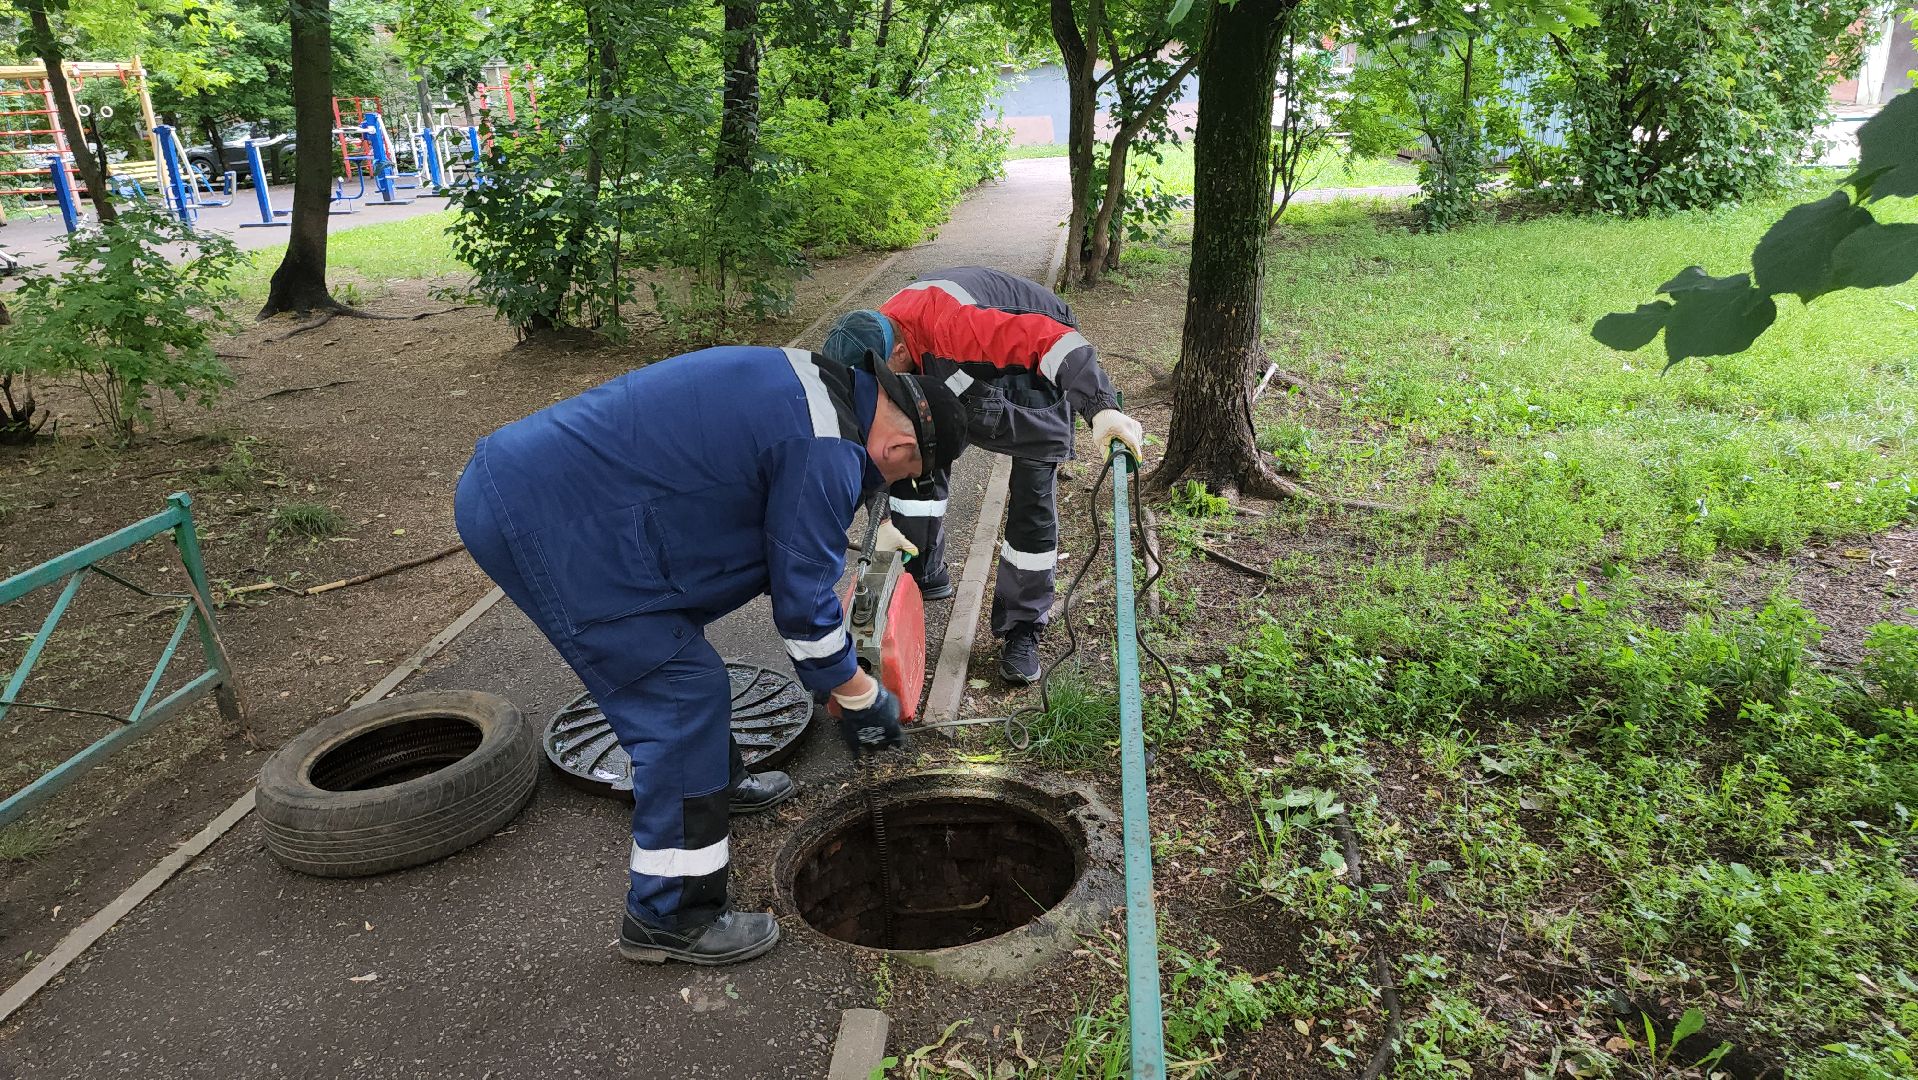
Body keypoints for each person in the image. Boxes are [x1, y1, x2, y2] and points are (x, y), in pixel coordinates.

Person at [453, 345, 969, 966]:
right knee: (679, 698)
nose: (886, 482)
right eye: (901, 474)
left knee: (684, 673)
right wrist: (859, 694)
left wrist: (838, 679)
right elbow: (804, 607)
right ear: (903, 447)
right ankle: (670, 916)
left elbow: (777, 544)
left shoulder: (822, 391)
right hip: (551, 520)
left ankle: (714, 784)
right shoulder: (827, 448)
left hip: (555, 493)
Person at [821, 266, 1144, 685]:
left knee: (1031, 500)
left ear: (898, 353)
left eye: (878, 384)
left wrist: (1102, 408)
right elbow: (869, 439)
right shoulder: (870, 336)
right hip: (952, 365)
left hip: (1032, 364)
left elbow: (1056, 343)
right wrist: (881, 522)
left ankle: (1022, 628)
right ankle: (922, 571)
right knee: (912, 459)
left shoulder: (957, 325)